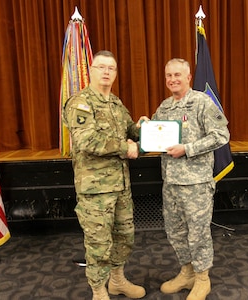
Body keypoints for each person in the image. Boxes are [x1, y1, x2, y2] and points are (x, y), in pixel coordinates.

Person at [62, 50, 146, 300]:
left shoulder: (116, 104)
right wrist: (125, 148)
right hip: (95, 190)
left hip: (120, 186)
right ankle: (99, 292)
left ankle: (117, 281)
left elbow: (127, 129)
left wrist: (140, 129)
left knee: (124, 236)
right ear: (92, 70)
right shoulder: (81, 103)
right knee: (99, 244)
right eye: (101, 67)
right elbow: (87, 140)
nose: (107, 72)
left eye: (111, 68)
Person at [152, 58, 230, 300]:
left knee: (198, 233)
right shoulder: (165, 107)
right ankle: (186, 273)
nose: (172, 79)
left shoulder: (201, 102)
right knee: (175, 231)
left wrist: (189, 148)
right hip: (171, 183)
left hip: (196, 183)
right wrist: (145, 126)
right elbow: (154, 134)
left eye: (177, 75)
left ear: (188, 77)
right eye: (168, 75)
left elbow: (222, 135)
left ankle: (202, 279)